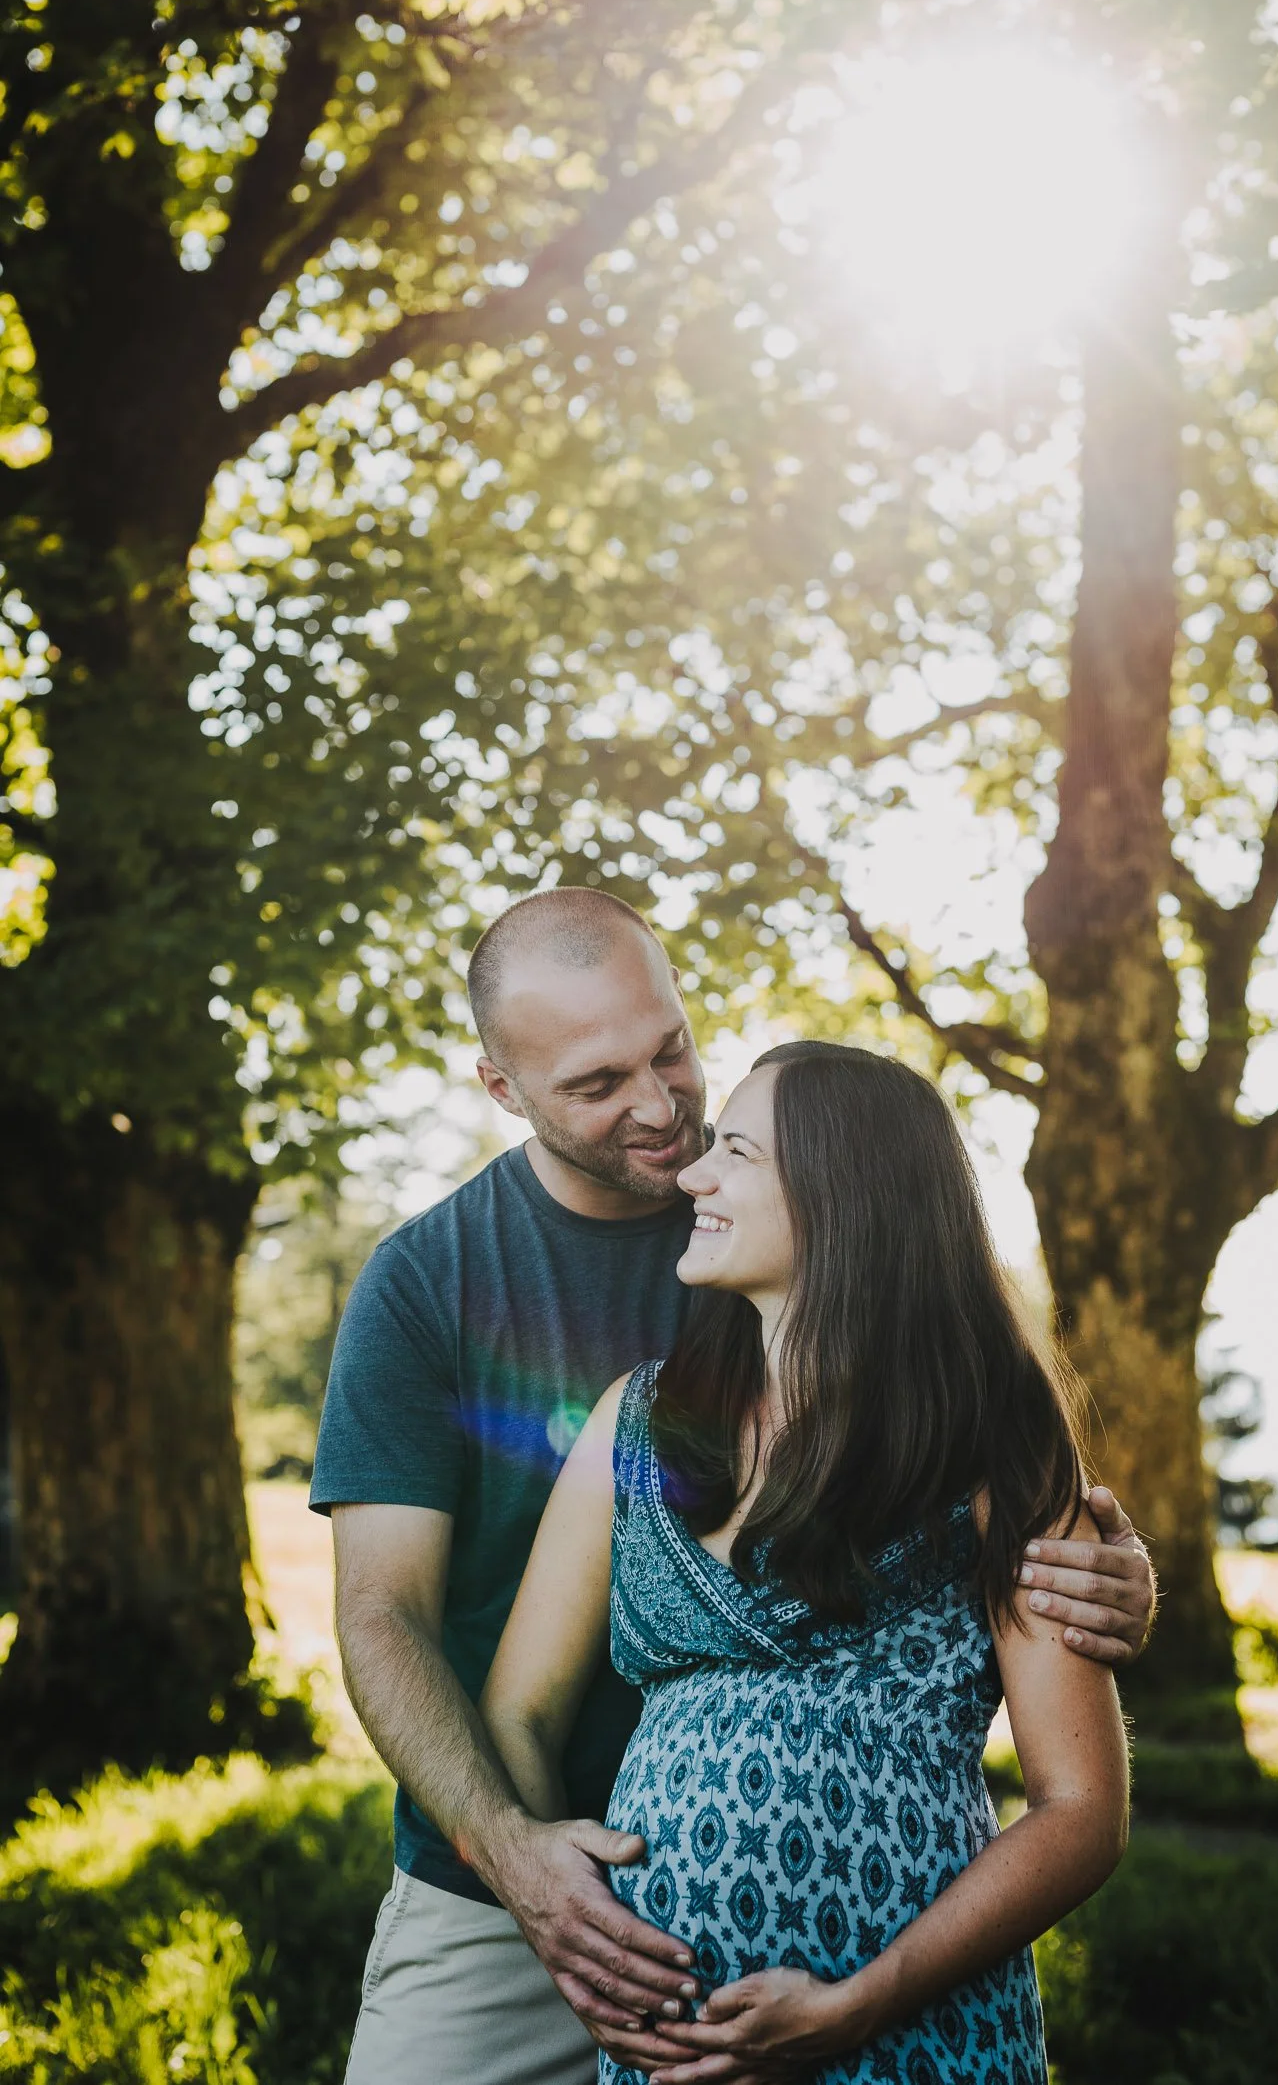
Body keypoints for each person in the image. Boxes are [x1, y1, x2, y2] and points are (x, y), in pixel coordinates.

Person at [311, 889, 1155, 2085]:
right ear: (505, 1089)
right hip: (503, 1867)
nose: (663, 1114)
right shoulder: (431, 1282)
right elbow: (380, 1615)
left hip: (860, 1961)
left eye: (671, 1052)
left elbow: (1058, 1716)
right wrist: (520, 1856)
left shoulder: (780, 1223)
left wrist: (1111, 1573)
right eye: (600, 1084)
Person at [483, 1040, 1129, 2085]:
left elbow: (1081, 1811)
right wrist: (557, 1896)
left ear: (844, 1196)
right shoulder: (635, 1425)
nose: (695, 1172)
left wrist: (861, 2003)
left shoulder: (993, 1439)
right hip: (677, 2046)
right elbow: (518, 1710)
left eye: (736, 1151)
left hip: (917, 2033)